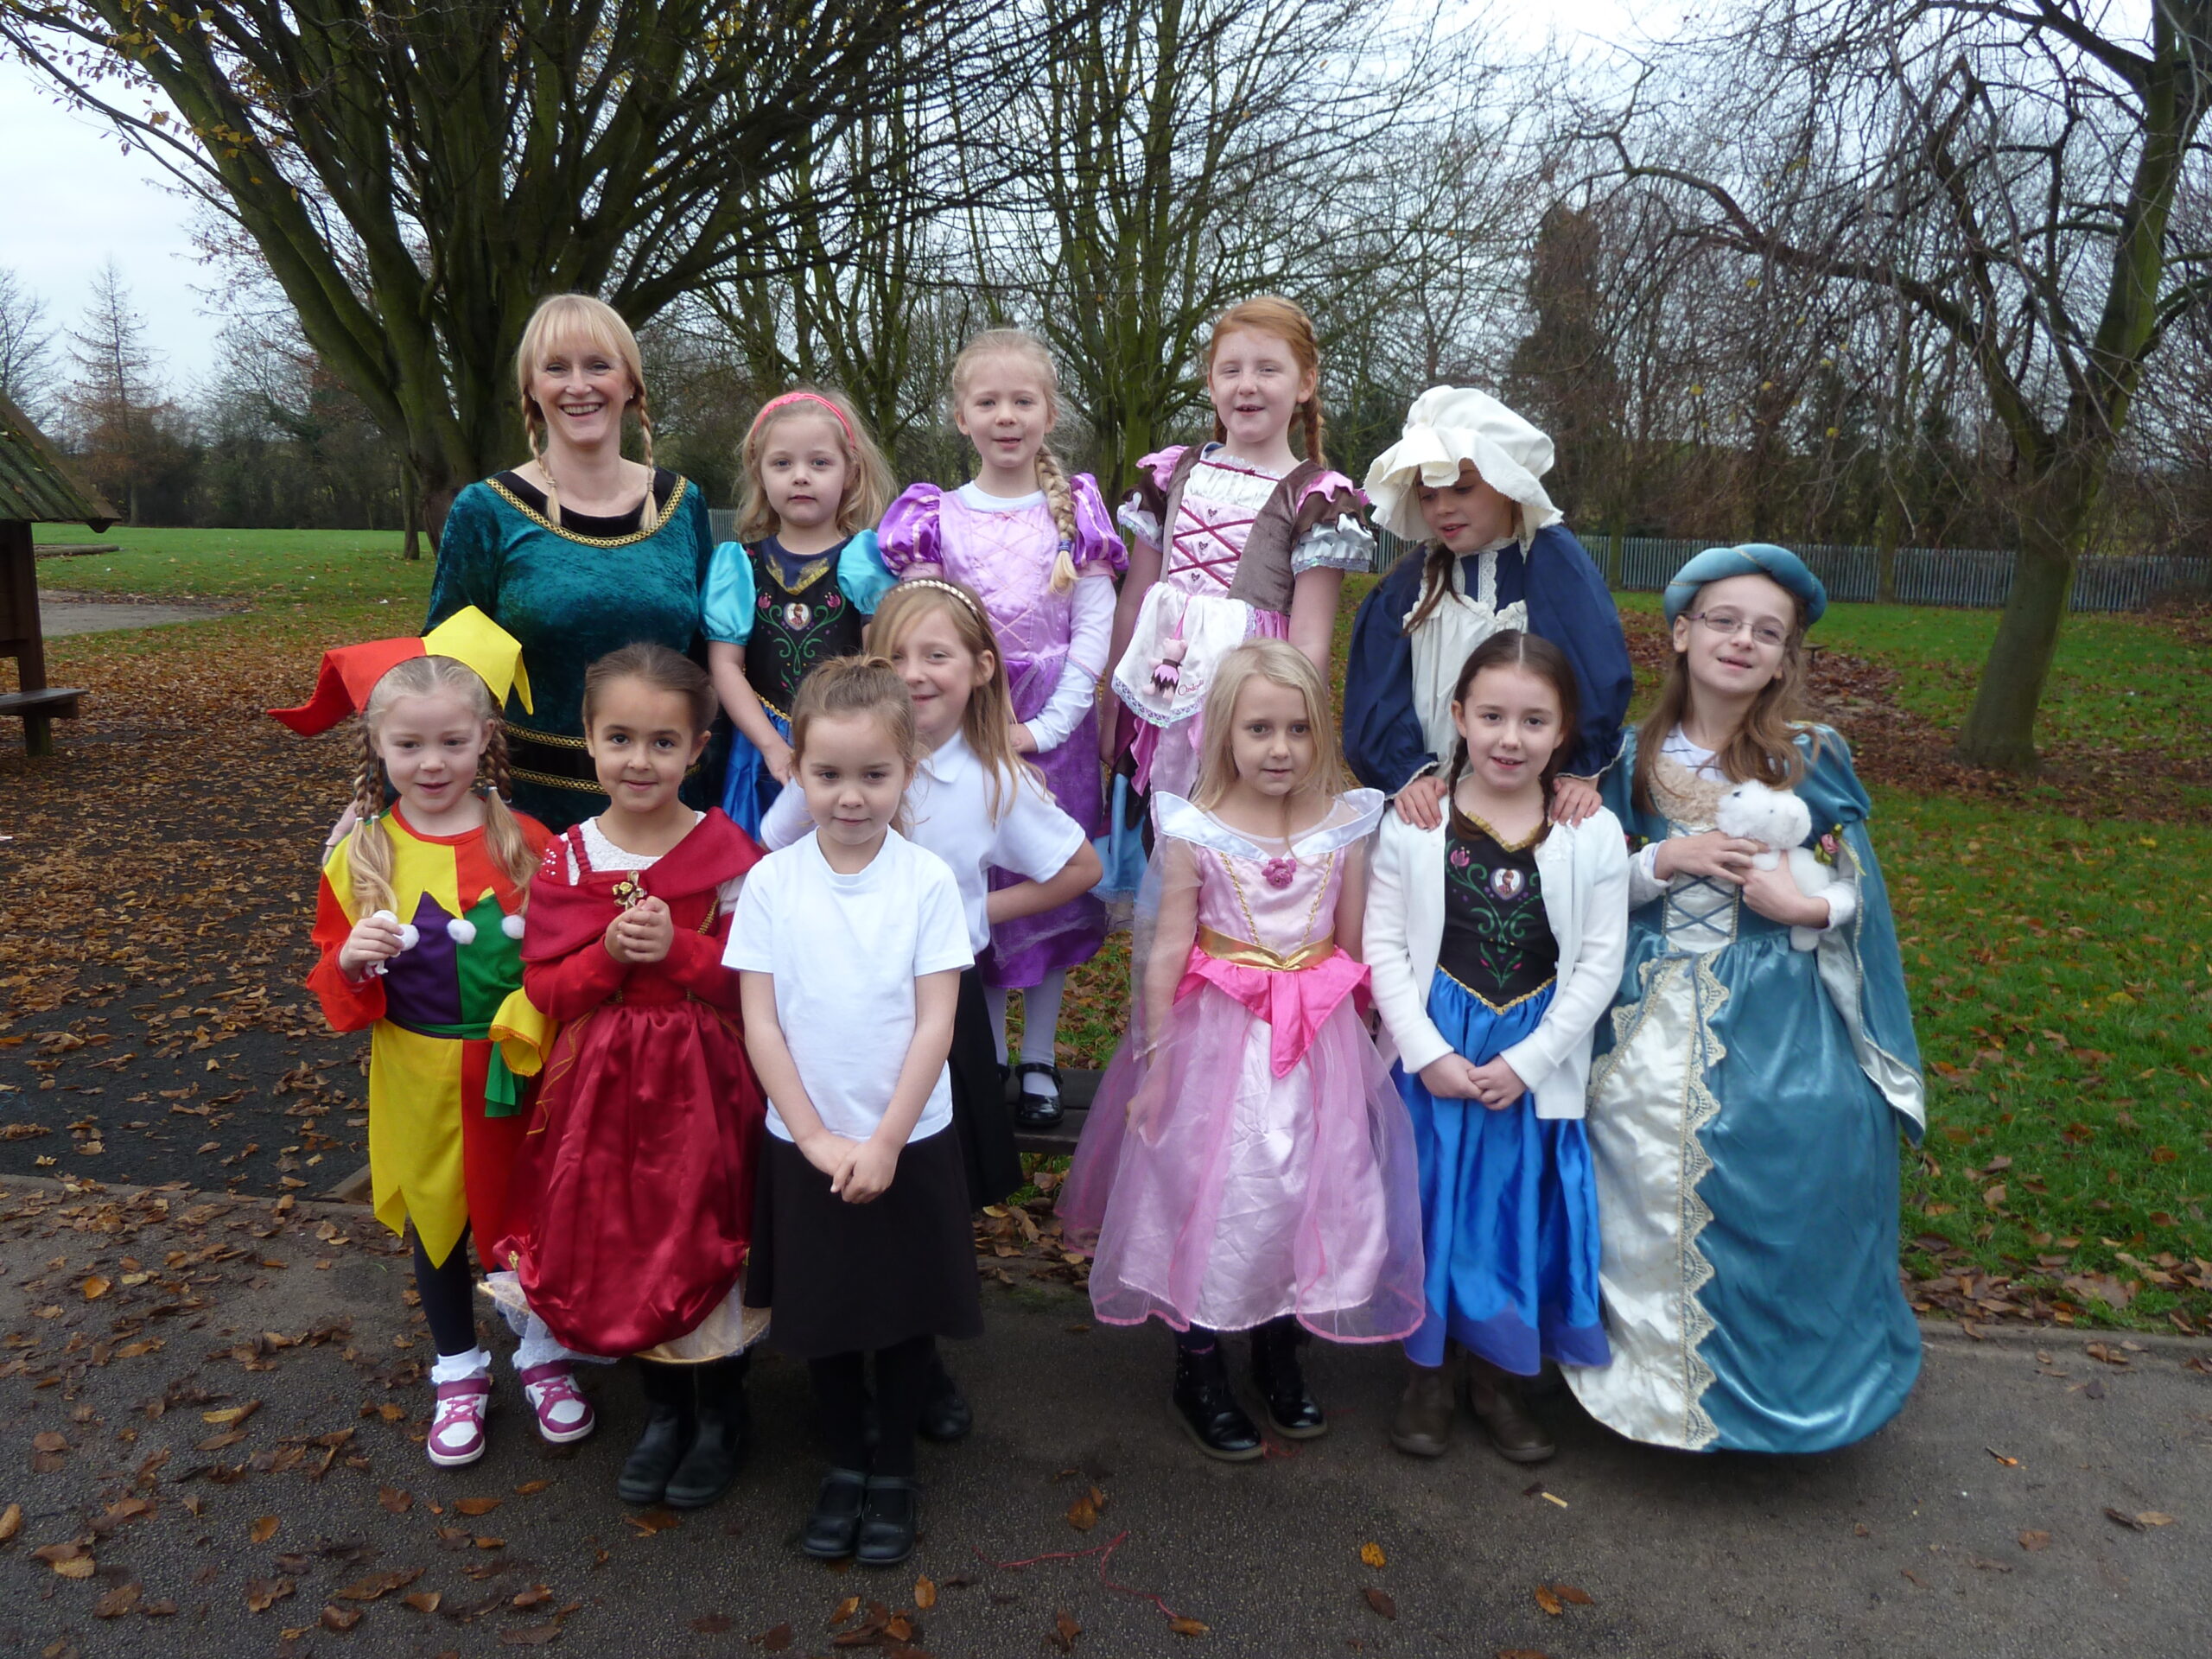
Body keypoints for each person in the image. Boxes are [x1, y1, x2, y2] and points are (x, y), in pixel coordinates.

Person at [1568, 545, 1925, 1453]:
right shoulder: (1624, 756)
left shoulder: (1811, 756)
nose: (1741, 641)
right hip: (1646, 992)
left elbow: (1861, 887)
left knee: (1805, 1143)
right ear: (1681, 633)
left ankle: (1783, 1384)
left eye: (1767, 633)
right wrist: (1663, 858)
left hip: (1780, 1005)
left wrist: (1804, 906)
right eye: (1723, 621)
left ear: (1782, 659)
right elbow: (1581, 882)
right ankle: (1654, 1386)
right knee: (1633, 1157)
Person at [1058, 640, 1422, 1461]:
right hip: (1217, 1047)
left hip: (1317, 1045)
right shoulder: (1197, 829)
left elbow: (1354, 946)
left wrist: (1364, 1049)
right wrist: (1154, 1064)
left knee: (1307, 1193)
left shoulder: (1344, 828)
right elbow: (1166, 950)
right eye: (1260, 729)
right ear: (1225, 732)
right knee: (1213, 1194)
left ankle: (1278, 1349)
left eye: (1298, 729)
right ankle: (1198, 1366)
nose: (1280, 749)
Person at [758, 580, 1103, 1436]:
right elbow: (776, 847)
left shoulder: (992, 779)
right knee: (840, 1191)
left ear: (980, 669)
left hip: (938, 1022)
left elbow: (1080, 869)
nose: (914, 673)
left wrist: (975, 912)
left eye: (935, 655)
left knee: (928, 1199)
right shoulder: (838, 763)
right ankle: (846, 1346)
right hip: (839, 1023)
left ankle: (923, 1357)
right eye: (896, 656)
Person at [281, 610, 588, 1467]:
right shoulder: (362, 856)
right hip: (415, 1071)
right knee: (438, 1223)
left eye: (452, 742)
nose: (432, 763)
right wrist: (352, 959)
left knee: (526, 1213)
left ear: (485, 739)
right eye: (409, 745)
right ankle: (458, 1366)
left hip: (517, 1069)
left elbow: (567, 960)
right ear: (377, 747)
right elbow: (334, 988)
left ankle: (543, 1352)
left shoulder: (529, 844)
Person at [488, 645, 768, 1510]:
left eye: (662, 742)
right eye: (619, 739)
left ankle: (721, 1414)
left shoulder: (727, 852)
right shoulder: (570, 860)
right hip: (600, 1088)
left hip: (704, 1080)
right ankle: (663, 1411)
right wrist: (608, 956)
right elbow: (546, 988)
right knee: (624, 1233)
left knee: (701, 1226)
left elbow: (754, 981)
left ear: (698, 749)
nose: (638, 760)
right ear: (588, 738)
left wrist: (678, 951)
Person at [732, 657, 984, 1568]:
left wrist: (882, 1143)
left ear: (907, 772)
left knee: (903, 1313)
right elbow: (761, 1022)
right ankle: (844, 1461)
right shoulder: (771, 884)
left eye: (874, 775)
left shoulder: (926, 882)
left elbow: (936, 1023)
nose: (849, 796)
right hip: (805, 1141)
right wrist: (812, 1136)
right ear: (796, 768)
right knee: (827, 1312)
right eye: (828, 774)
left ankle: (896, 1473)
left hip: (907, 1139)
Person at [1364, 631, 1630, 1465]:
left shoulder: (1591, 833)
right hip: (1440, 1050)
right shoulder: (1418, 823)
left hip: (1531, 1058)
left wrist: (1529, 1062)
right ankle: (1428, 1374)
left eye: (1534, 721)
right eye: (1491, 717)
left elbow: (1600, 962)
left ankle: (1498, 1377)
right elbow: (1383, 946)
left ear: (1563, 731)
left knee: (1512, 1216)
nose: (1510, 739)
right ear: (1458, 716)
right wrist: (1424, 1052)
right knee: (1434, 1209)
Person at [878, 329, 1127, 1128]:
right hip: (962, 723)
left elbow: (1093, 629)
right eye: (988, 402)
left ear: (1049, 413)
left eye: (1023, 401)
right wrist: (965, 725)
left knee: (1044, 885)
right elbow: (921, 628)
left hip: (1056, 728)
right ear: (961, 417)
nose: (1006, 416)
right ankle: (981, 1053)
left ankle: (1040, 1056)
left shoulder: (1076, 511)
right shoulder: (934, 517)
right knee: (972, 884)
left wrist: (1049, 726)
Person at [425, 293, 719, 831]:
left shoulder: (682, 504)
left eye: (599, 366)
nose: (578, 386)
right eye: (556, 368)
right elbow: (442, 673)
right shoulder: (486, 510)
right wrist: (387, 798)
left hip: (670, 815)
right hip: (530, 819)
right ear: (531, 389)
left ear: (631, 384)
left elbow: (711, 658)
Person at [1103, 296, 1371, 804]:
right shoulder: (1171, 474)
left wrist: (1300, 742)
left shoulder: (1314, 499)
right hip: (1155, 699)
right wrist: (1113, 712)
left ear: (1305, 384)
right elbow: (1133, 601)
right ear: (1211, 384)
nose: (1247, 384)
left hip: (1251, 709)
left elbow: (1310, 644)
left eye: (1268, 369)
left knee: (1232, 829)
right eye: (1231, 370)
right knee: (1151, 823)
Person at [1346, 387, 1633, 830]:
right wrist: (1407, 775)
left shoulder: (1553, 563)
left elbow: (1592, 661)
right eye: (1427, 495)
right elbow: (1378, 688)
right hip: (1430, 811)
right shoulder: (1409, 585)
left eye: (1462, 488)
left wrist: (1580, 767)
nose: (1443, 508)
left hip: (1536, 803)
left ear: (1504, 482)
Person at [704, 387, 897, 836]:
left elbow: (881, 662)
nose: (801, 477)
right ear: (759, 471)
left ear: (851, 471)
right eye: (782, 463)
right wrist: (772, 746)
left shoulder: (864, 559)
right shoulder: (739, 565)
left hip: (849, 746)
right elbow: (725, 667)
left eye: (820, 463)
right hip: (761, 751)